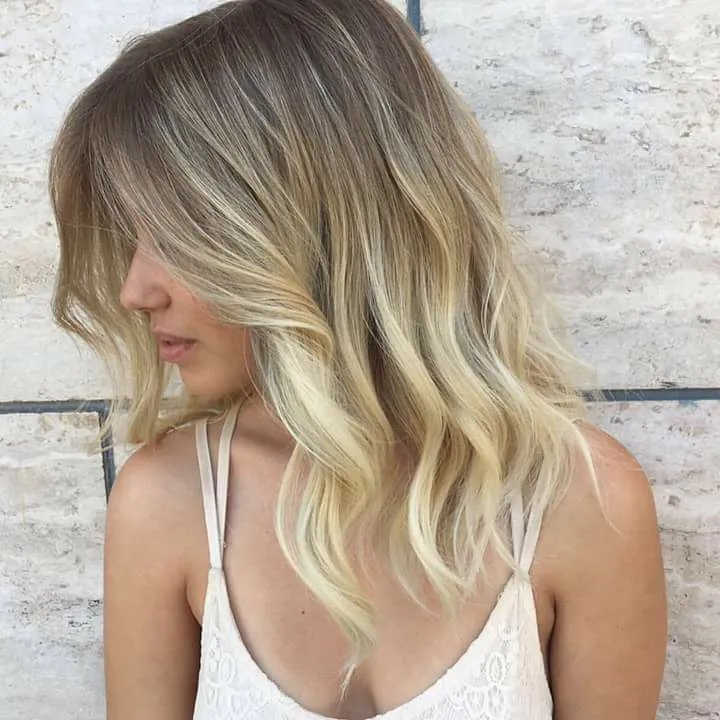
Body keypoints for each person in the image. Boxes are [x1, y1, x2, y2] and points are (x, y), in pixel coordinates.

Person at [49, 0, 667, 718]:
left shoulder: (578, 501)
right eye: (133, 237)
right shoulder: (169, 502)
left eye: (179, 234)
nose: (134, 291)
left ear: (315, 221)